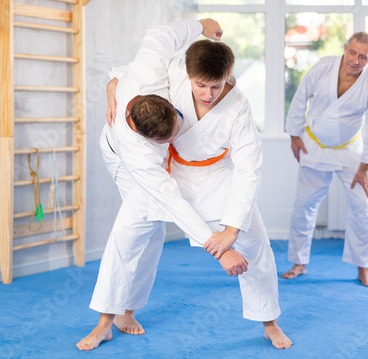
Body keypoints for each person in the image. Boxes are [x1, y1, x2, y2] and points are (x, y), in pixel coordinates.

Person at [106, 20, 292, 349]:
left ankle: (269, 321)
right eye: (201, 85)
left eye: (217, 87)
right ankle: (114, 315)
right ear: (188, 74)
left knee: (256, 243)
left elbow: (249, 169)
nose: (208, 94)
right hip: (171, 168)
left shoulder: (238, 108)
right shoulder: (172, 72)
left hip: (217, 175)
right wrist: (113, 89)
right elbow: (142, 56)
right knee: (131, 233)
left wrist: (231, 231)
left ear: (229, 79)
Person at [77, 19, 248, 351]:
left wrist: (202, 24)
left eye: (175, 126)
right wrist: (219, 249)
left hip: (146, 132)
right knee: (134, 226)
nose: (176, 136)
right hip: (120, 158)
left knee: (151, 229)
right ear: (144, 136)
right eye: (166, 138)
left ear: (167, 103)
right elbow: (172, 201)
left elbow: (160, 34)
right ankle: (104, 323)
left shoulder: (149, 72)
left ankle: (128, 312)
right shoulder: (139, 154)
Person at [281, 32, 368, 287]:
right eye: (352, 53)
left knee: (362, 208)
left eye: (363, 57)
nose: (356, 60)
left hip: (350, 152)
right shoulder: (324, 67)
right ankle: (299, 262)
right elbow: (299, 100)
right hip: (313, 147)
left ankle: (363, 267)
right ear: (345, 47)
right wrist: (294, 136)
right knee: (304, 205)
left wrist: (365, 167)